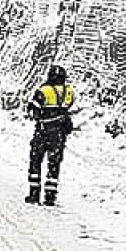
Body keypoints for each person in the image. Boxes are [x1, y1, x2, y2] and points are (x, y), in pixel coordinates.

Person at [26, 64, 76, 206]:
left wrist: (38, 115)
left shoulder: (44, 90)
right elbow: (69, 105)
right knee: (54, 163)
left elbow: (32, 110)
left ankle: (34, 194)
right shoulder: (69, 91)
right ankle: (50, 196)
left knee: (36, 161)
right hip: (59, 133)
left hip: (43, 131)